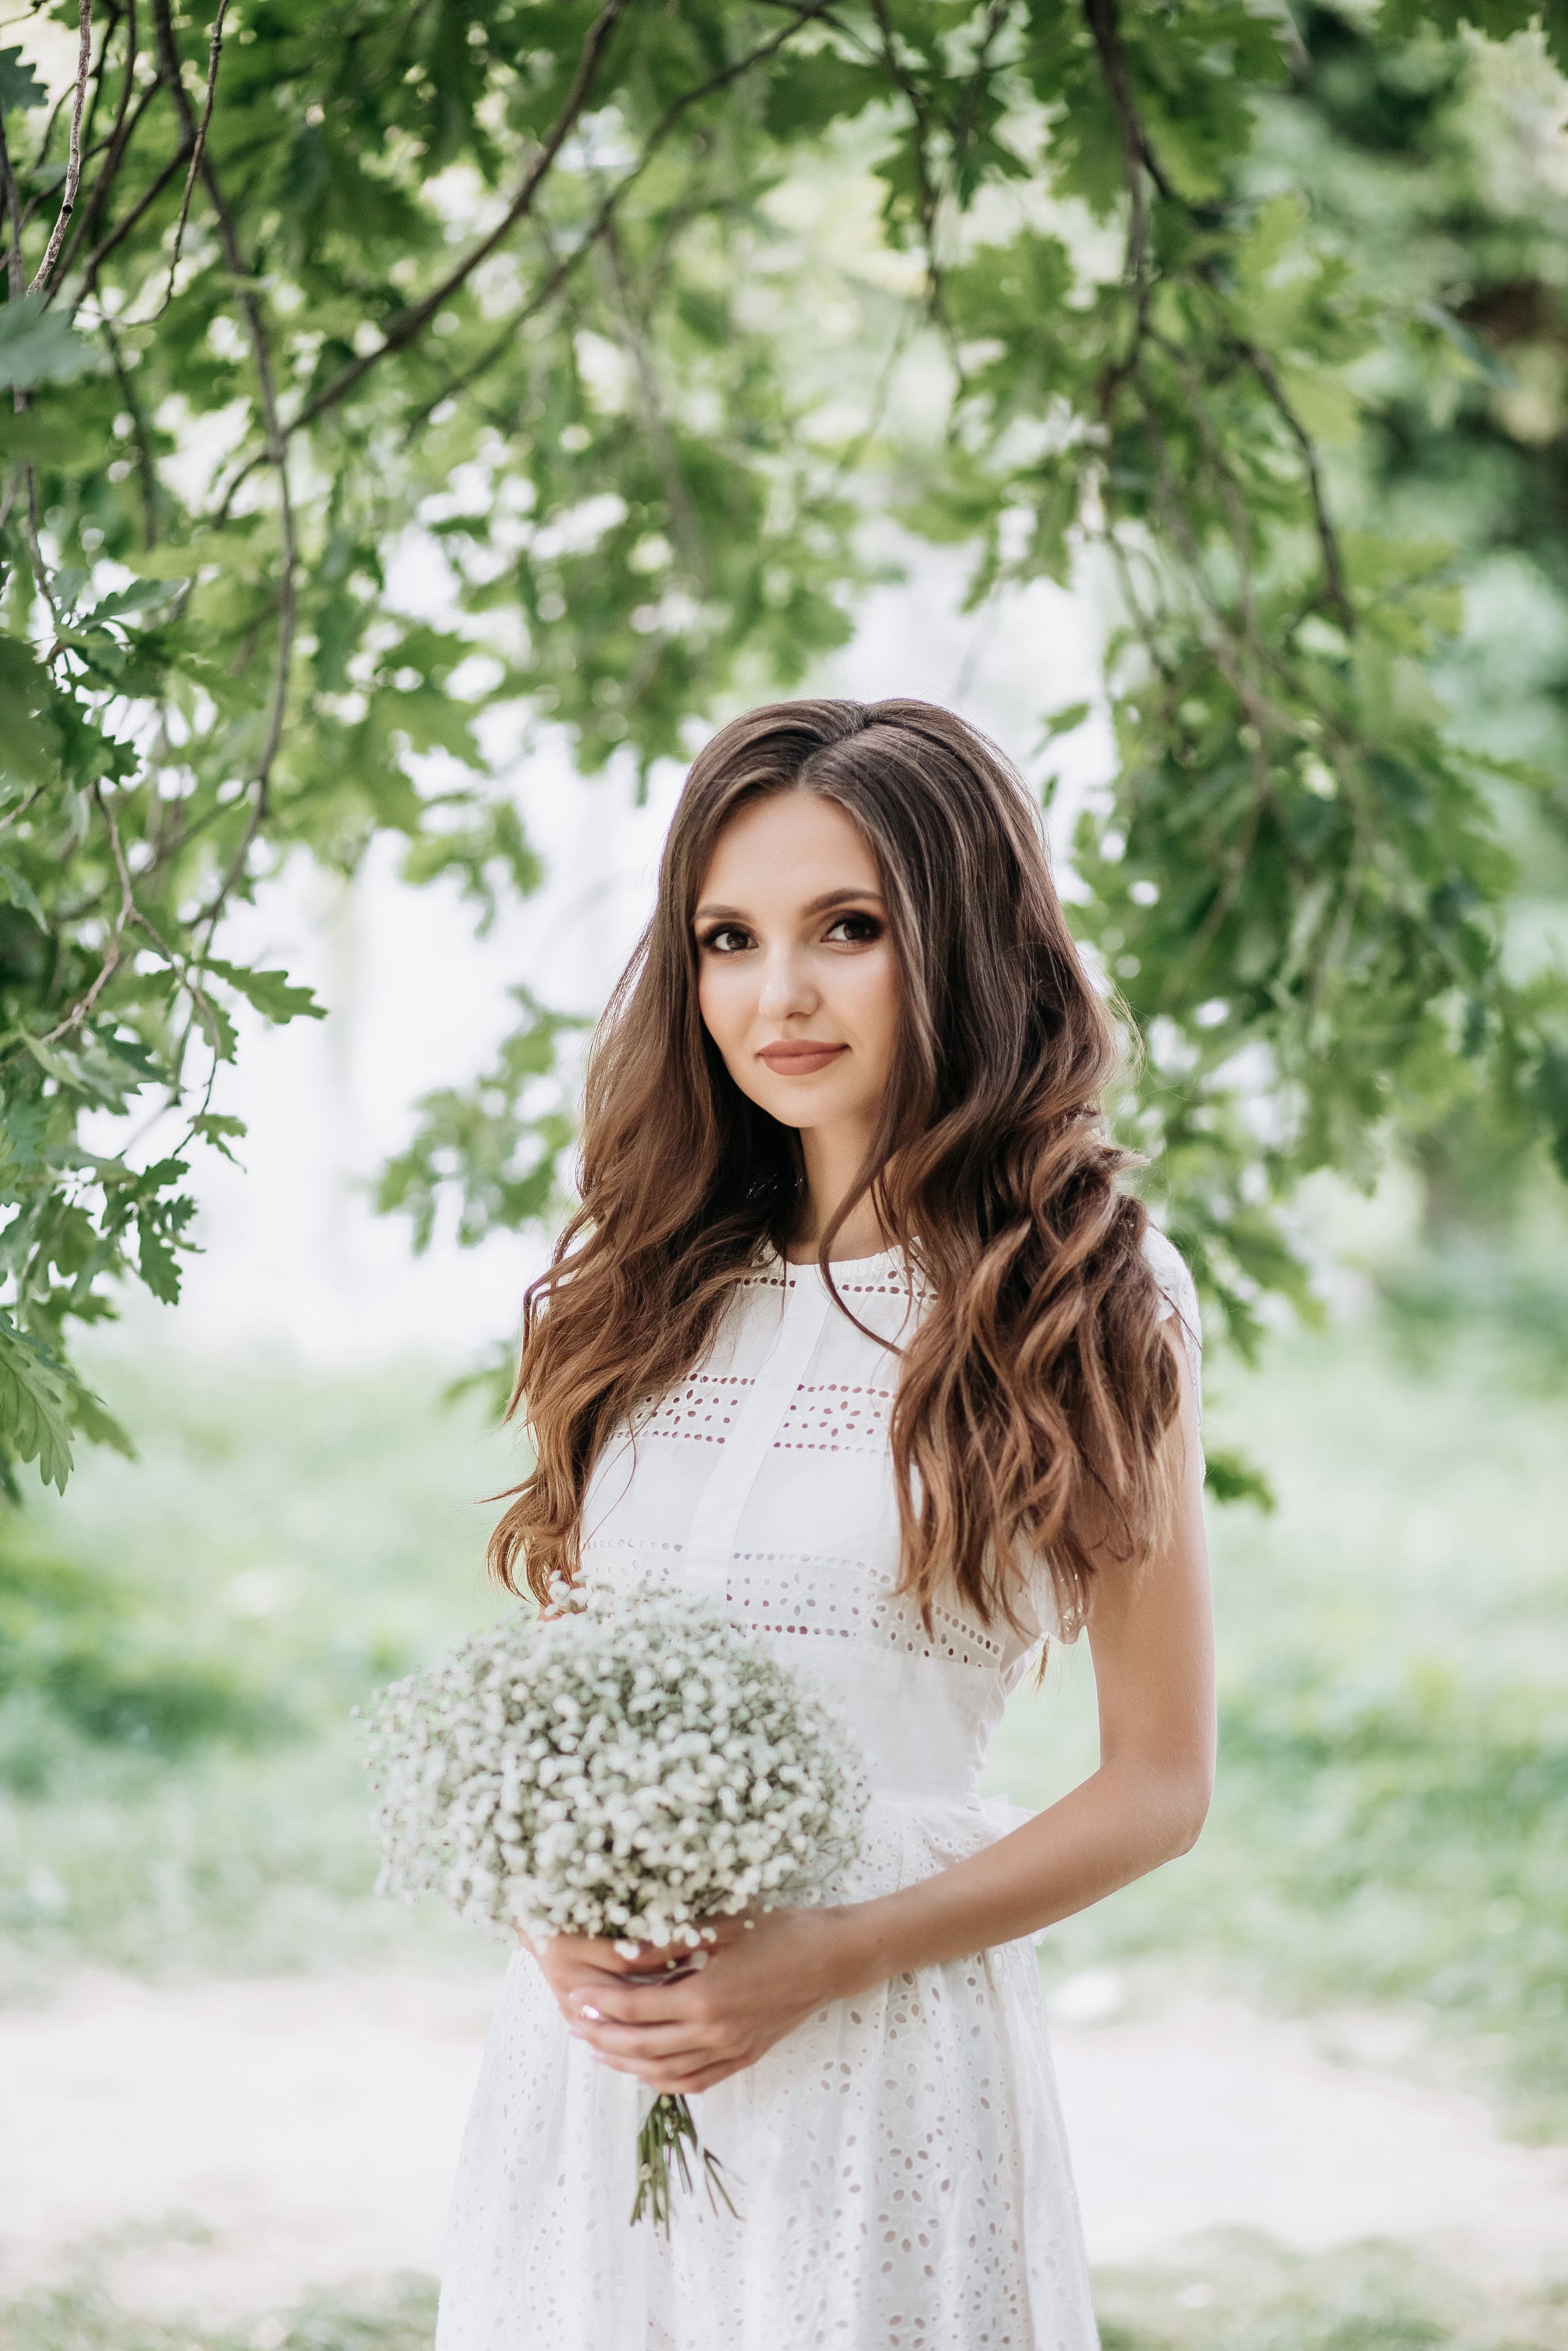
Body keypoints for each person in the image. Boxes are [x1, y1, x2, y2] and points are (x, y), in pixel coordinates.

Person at [435, 698, 1215, 2351]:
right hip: (590, 2064)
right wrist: (548, 1913)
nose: (776, 996)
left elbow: (1160, 1784)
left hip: (888, 2053)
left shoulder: (1090, 1297)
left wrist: (830, 1954)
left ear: (961, 944)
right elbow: (558, 1694)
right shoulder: (641, 1289)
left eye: (845, 930)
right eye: (729, 938)